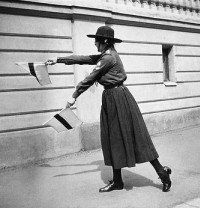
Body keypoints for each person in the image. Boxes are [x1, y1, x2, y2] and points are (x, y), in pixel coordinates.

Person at [46, 26, 172, 192]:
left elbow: (90, 78)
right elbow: (84, 58)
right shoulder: (105, 56)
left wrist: (73, 96)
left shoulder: (108, 58)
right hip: (111, 99)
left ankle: (163, 173)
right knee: (113, 139)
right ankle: (118, 181)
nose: (95, 44)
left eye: (96, 40)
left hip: (119, 99)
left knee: (138, 139)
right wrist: (59, 59)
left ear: (104, 41)